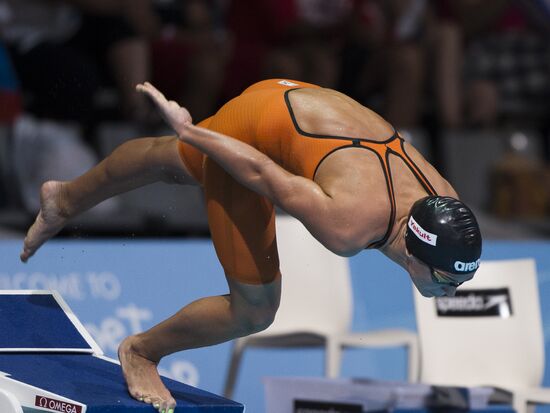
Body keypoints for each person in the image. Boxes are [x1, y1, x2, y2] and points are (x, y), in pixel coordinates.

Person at [19, 78, 482, 412]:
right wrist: (194, 130)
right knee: (255, 308)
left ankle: (62, 198)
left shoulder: (446, 205)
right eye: (445, 280)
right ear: (416, 250)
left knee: (171, 161)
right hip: (261, 132)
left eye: (461, 279)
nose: (451, 291)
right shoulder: (350, 224)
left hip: (287, 96)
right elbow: (263, 174)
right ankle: (142, 351)